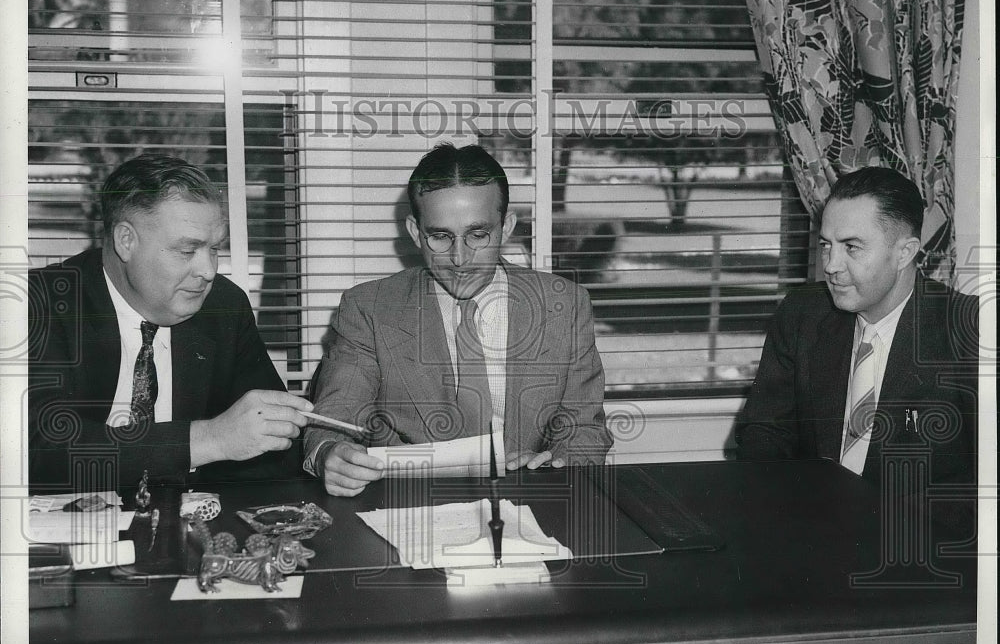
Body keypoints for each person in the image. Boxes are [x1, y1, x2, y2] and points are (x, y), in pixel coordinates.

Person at [305, 143, 613, 496]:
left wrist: (557, 466)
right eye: (440, 236)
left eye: (478, 235)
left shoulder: (564, 304)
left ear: (506, 227)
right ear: (415, 231)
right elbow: (334, 421)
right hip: (411, 508)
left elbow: (584, 428)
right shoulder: (369, 309)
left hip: (530, 503)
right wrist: (330, 454)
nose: (459, 258)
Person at [28, 154, 313, 492]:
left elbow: (271, 452)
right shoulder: (41, 304)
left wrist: (323, 456)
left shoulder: (223, 306)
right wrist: (208, 440)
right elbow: (36, 449)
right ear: (126, 241)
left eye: (214, 249)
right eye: (186, 250)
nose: (208, 271)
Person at [735, 167, 978, 518]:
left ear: (905, 252)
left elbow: (980, 484)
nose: (831, 266)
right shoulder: (802, 314)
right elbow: (765, 434)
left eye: (852, 247)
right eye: (826, 246)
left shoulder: (970, 330)